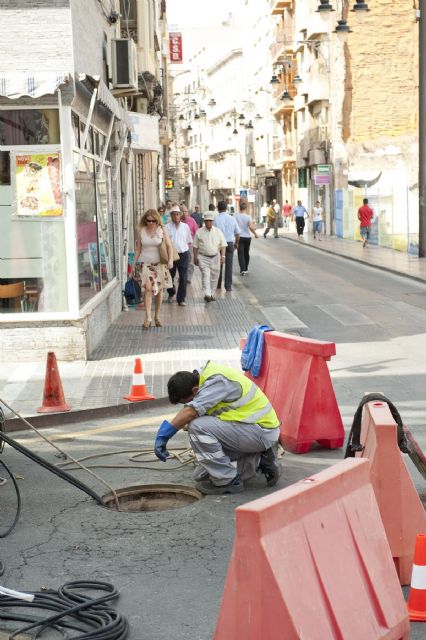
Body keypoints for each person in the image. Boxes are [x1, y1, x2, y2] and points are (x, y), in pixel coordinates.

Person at [153, 361, 281, 495]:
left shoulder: (217, 382)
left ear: (195, 390)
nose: (188, 405)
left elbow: (190, 412)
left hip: (260, 432)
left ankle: (228, 482)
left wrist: (164, 436)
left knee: (197, 427)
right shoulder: (203, 379)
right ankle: (260, 460)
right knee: (201, 475)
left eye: (186, 402)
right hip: (250, 430)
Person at [132, 209, 173, 329]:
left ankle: (157, 316)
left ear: (157, 220)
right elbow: (138, 249)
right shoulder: (141, 231)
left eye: (153, 221)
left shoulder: (162, 230)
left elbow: (169, 246)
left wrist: (170, 260)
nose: (150, 223)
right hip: (145, 264)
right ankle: (148, 317)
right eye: (148, 220)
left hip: (160, 264)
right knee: (148, 289)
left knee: (159, 290)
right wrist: (133, 263)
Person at [193, 212, 227, 302]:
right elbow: (195, 246)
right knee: (206, 275)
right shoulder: (199, 232)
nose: (208, 223)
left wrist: (223, 256)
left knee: (215, 277)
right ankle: (207, 294)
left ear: (213, 221)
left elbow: (223, 244)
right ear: (204, 221)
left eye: (210, 221)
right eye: (207, 221)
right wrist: (195, 257)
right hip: (203, 257)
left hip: (216, 257)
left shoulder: (218, 231)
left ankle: (211, 293)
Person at [166, 205, 193, 306]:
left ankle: (181, 299)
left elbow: (189, 241)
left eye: (178, 214)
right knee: (169, 276)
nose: (176, 216)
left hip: (183, 254)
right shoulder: (167, 227)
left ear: (180, 215)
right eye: (174, 214)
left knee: (183, 277)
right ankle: (171, 292)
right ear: (171, 216)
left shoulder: (185, 227)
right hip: (171, 255)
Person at [214, 200, 240, 292]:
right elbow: (237, 233)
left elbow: (213, 233)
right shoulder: (232, 218)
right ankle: (228, 286)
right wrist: (236, 243)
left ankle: (218, 284)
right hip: (229, 244)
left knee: (219, 264)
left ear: (218, 208)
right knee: (229, 265)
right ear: (226, 208)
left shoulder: (216, 219)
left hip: (219, 244)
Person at [235, 201, 258, 275]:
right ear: (246, 208)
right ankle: (246, 268)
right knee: (246, 253)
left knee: (240, 253)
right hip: (247, 237)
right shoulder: (248, 217)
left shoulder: (235, 216)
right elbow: (251, 227)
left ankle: (242, 270)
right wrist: (255, 233)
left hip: (239, 237)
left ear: (239, 208)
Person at [180, 204, 199, 284]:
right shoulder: (179, 221)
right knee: (181, 262)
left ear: (188, 212)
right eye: (183, 211)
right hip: (180, 245)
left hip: (189, 245)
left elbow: (197, 232)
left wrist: (196, 243)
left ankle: (188, 277)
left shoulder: (192, 220)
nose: (184, 213)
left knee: (190, 262)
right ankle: (182, 276)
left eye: (186, 211)